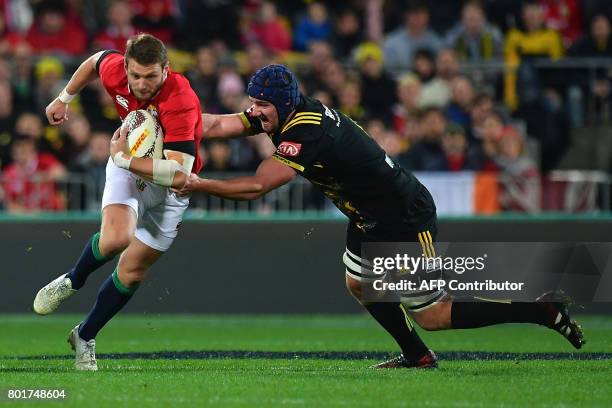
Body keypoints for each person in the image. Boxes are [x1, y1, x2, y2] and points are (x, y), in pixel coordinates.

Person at [178, 64, 585, 368]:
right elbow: (214, 123)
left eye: (262, 104)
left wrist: (197, 184)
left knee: (433, 314)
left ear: (282, 104)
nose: (255, 111)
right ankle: (417, 357)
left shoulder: (306, 130)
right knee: (359, 282)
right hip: (368, 216)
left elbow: (257, 186)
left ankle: (539, 309)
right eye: (254, 102)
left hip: (404, 216)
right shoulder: (282, 113)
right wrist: (167, 120)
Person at [32, 33, 203, 371]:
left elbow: (179, 175)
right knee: (116, 239)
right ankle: (73, 279)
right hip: (127, 167)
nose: (141, 84)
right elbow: (94, 62)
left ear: (166, 70)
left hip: (169, 186)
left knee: (133, 271)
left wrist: (123, 159)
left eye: (151, 76)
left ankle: (85, 334)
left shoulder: (181, 97)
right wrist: (64, 97)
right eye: (135, 75)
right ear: (125, 66)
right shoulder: (115, 69)